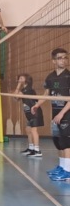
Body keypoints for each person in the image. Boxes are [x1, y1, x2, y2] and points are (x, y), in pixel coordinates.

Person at [31, 48, 70, 181]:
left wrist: (62, 114)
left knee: (66, 141)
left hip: (66, 113)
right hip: (55, 113)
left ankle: (68, 171)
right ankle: (62, 167)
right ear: (54, 61)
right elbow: (46, 94)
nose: (63, 60)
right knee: (58, 141)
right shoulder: (50, 77)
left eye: (65, 57)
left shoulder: (68, 76)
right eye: (60, 58)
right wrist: (37, 104)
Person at [14, 73, 43, 157]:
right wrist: (19, 85)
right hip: (28, 113)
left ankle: (37, 150)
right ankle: (31, 148)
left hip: (34, 112)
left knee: (33, 130)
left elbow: (16, 96)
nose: (19, 79)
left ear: (26, 80)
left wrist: (18, 85)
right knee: (28, 130)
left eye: (21, 78)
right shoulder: (24, 89)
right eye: (19, 78)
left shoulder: (28, 89)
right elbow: (16, 98)